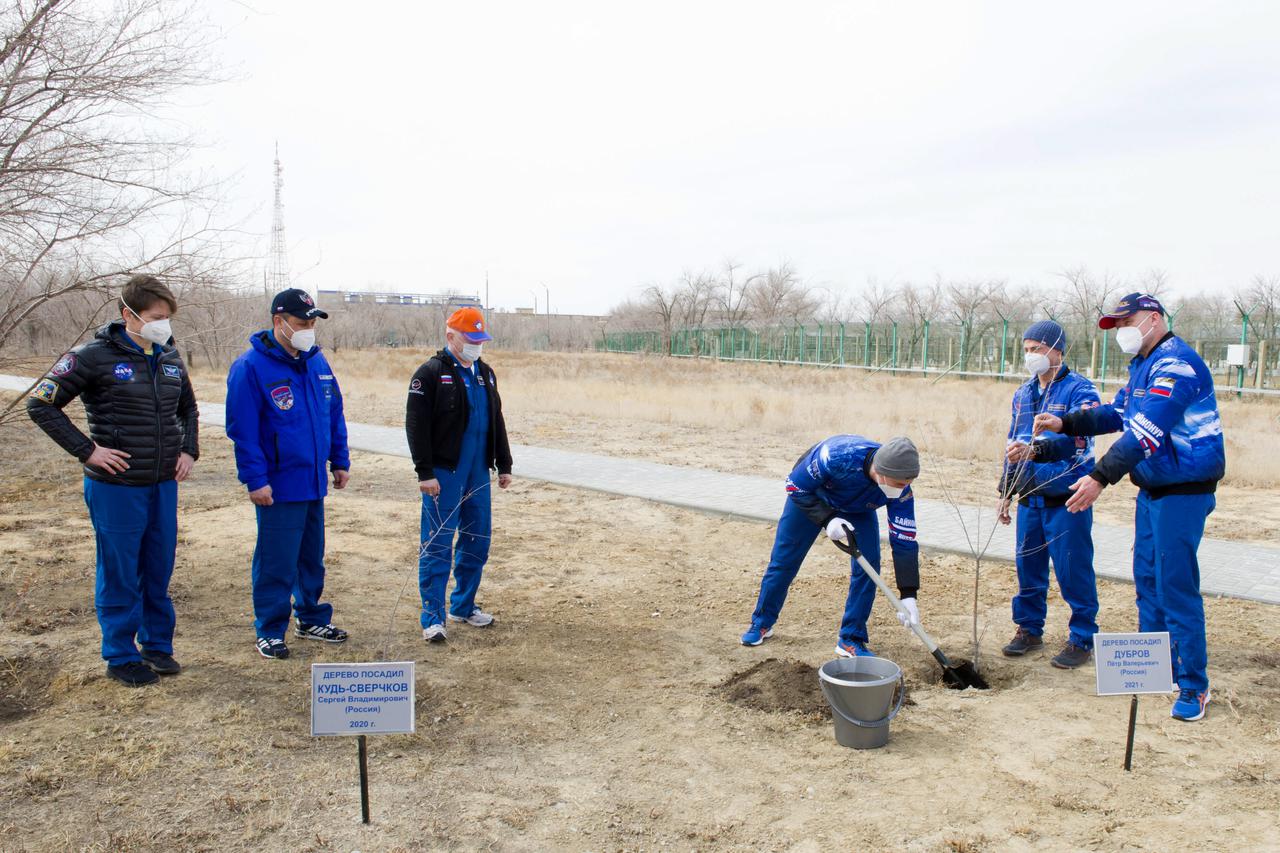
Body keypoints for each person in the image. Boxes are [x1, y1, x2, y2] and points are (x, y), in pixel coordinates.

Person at [1035, 293, 1225, 722]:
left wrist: (1100, 476)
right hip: (1153, 490)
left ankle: (1194, 685)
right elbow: (1116, 412)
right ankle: (1159, 668)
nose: (1121, 331)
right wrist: (1066, 422)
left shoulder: (1176, 365)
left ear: (1153, 319)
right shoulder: (1142, 365)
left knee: (1175, 584)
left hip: (1185, 490)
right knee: (1147, 579)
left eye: (1127, 321)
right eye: (1115, 325)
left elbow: (1147, 430)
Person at [26, 275, 198, 687]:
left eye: (168, 318)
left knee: (158, 568)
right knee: (120, 570)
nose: (164, 325)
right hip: (116, 487)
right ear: (129, 314)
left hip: (161, 484)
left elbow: (189, 410)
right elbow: (41, 405)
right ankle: (120, 654)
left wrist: (189, 450)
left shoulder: (169, 356)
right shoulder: (91, 356)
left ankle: (157, 644)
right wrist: (89, 451)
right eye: (157, 318)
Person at [225, 288, 351, 660]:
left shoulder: (317, 362)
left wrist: (339, 460)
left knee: (311, 557)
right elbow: (242, 431)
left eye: (312, 322)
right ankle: (269, 628)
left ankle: (310, 617)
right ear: (279, 322)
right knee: (277, 560)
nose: (308, 328)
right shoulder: (250, 368)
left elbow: (334, 414)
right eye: (301, 322)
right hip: (278, 484)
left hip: (312, 480)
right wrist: (255, 479)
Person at [741, 435, 922, 658]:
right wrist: (827, 520)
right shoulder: (837, 456)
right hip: (812, 497)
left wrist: (908, 595)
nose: (903, 489)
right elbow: (794, 485)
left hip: (858, 508)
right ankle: (761, 622)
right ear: (883, 472)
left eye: (908, 484)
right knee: (784, 561)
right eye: (901, 484)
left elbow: (904, 541)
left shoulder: (901, 490)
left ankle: (851, 638)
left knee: (868, 567)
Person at [997, 320, 1102, 669]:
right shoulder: (1023, 394)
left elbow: (1079, 440)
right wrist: (1006, 490)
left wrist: (1037, 450)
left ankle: (1082, 637)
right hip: (1029, 497)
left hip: (1066, 497)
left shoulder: (1079, 391)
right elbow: (1013, 444)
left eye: (1037, 349)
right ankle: (1028, 629)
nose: (1031, 356)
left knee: (1073, 570)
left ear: (1057, 349)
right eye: (1026, 350)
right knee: (1028, 567)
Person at [406, 306, 513, 643]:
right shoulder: (431, 373)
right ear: (450, 335)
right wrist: (424, 471)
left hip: (478, 471)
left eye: (481, 339)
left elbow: (496, 419)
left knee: (477, 540)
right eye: (471, 338)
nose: (476, 345)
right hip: (444, 472)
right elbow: (416, 425)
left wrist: (504, 464)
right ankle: (433, 618)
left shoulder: (486, 373)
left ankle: (463, 606)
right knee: (438, 545)